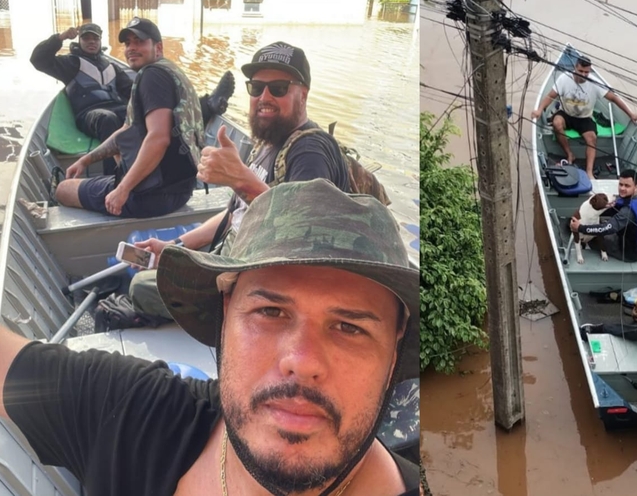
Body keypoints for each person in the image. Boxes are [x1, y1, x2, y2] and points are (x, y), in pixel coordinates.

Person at [0, 179, 420, 496]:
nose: (302, 360)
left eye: (350, 327)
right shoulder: (129, 414)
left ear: (394, 354)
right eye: (270, 312)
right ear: (224, 317)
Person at [127, 40, 350, 322]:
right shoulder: (267, 142)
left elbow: (305, 236)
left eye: (278, 88)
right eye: (256, 88)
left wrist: (241, 180)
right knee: (153, 270)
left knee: (141, 288)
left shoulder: (310, 152)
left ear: (303, 94)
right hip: (232, 257)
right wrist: (176, 246)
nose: (264, 97)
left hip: (264, 284)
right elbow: (234, 214)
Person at [53, 17, 232, 219]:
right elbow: (125, 131)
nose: (131, 48)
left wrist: (122, 189)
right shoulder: (170, 70)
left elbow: (159, 138)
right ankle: (208, 105)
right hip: (181, 190)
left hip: (149, 197)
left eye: (139, 41)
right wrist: (85, 160)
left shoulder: (151, 77)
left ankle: (117, 184)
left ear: (158, 47)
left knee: (63, 189)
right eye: (128, 43)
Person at [30, 23, 133, 175]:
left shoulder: (112, 66)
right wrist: (60, 37)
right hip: (90, 114)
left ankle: (144, 169)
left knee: (138, 116)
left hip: (117, 108)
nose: (91, 41)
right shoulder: (70, 63)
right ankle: (114, 178)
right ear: (80, 41)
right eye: (86, 38)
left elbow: (132, 90)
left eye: (95, 38)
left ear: (100, 41)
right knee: (108, 119)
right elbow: (38, 60)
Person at [531, 56, 637, 180]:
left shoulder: (594, 83)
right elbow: (550, 96)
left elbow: (614, 98)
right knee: (557, 123)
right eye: (580, 71)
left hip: (584, 117)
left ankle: (589, 171)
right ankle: (569, 154)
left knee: (592, 138)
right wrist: (539, 110)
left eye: (586, 72)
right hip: (566, 113)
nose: (583, 74)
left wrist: (630, 114)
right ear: (575, 69)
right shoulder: (564, 79)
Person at [570, 168, 637, 262]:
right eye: (621, 184)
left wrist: (580, 228)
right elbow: (616, 208)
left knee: (593, 240)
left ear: (636, 187)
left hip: (631, 253)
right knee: (603, 222)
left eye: (627, 186)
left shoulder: (628, 212)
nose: (622, 188)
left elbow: (607, 228)